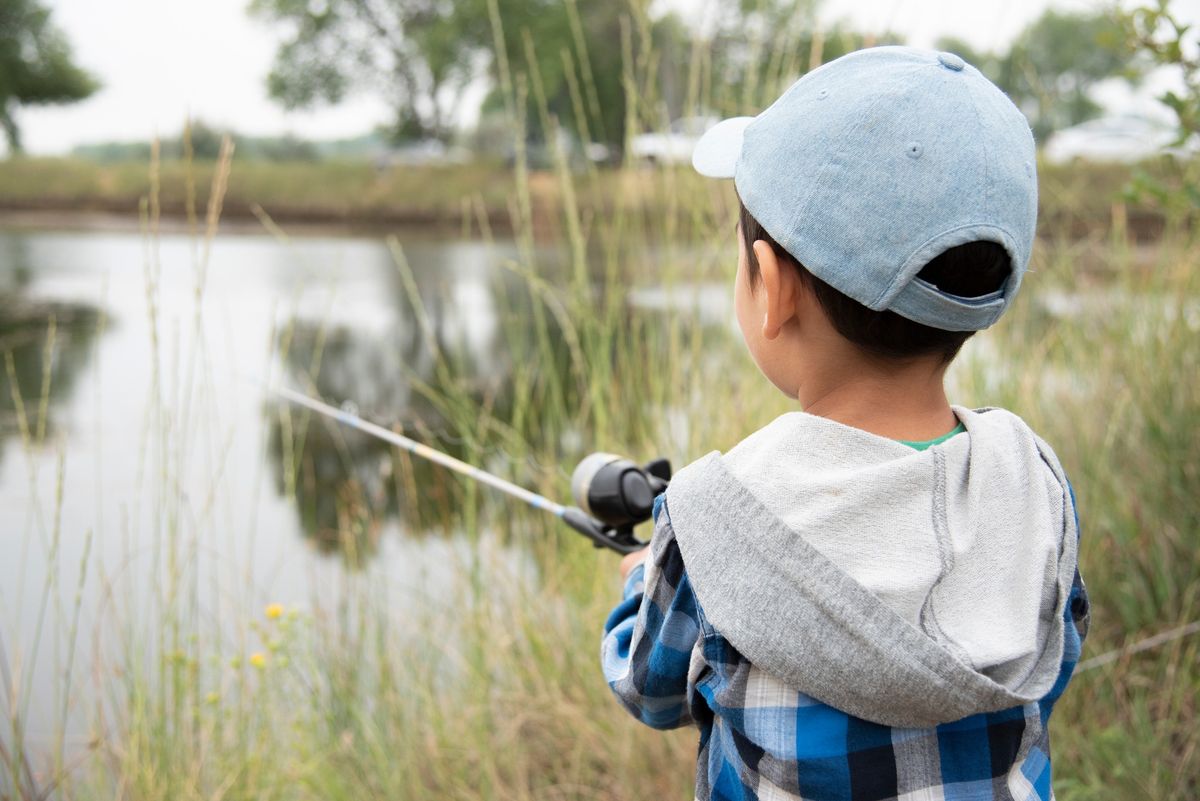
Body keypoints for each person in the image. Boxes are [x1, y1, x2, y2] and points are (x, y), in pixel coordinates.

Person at [600, 46, 1090, 801]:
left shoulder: (714, 514)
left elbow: (651, 689)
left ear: (772, 289)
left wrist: (641, 583)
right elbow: (1058, 651)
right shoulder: (1034, 482)